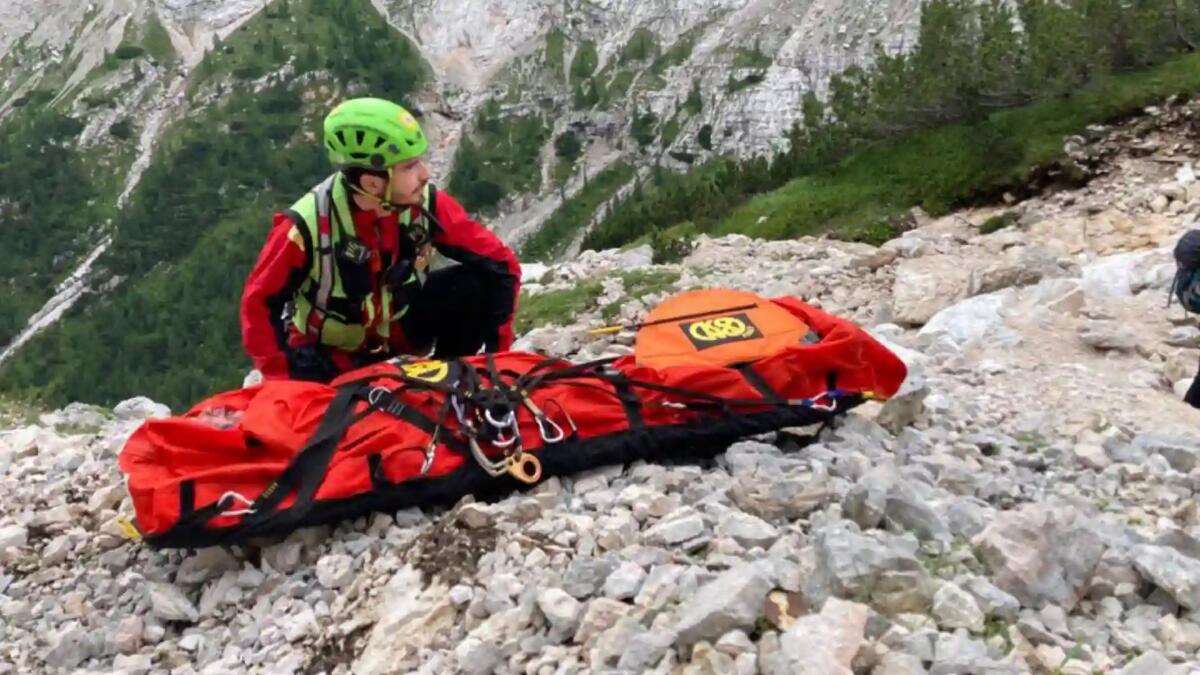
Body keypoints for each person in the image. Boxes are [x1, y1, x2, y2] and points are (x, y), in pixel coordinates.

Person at [240, 97, 521, 382]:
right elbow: (259, 304)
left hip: (398, 335)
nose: (425, 175)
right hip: (328, 354)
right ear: (372, 183)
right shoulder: (305, 226)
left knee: (475, 284)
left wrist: (498, 364)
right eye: (410, 167)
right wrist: (282, 379)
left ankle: (448, 385)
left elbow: (502, 265)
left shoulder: (424, 205)